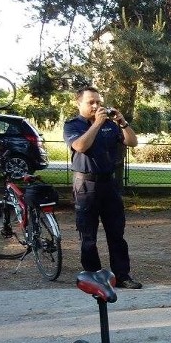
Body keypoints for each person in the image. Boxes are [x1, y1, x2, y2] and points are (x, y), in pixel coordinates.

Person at [64, 85, 142, 288]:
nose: (96, 105)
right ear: (78, 103)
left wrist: (122, 122)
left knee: (116, 232)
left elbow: (132, 142)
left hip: (109, 183)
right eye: (91, 102)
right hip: (86, 184)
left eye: (98, 102)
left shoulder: (110, 124)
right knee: (88, 235)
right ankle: (94, 277)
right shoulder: (73, 125)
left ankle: (122, 276)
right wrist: (96, 124)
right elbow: (80, 146)